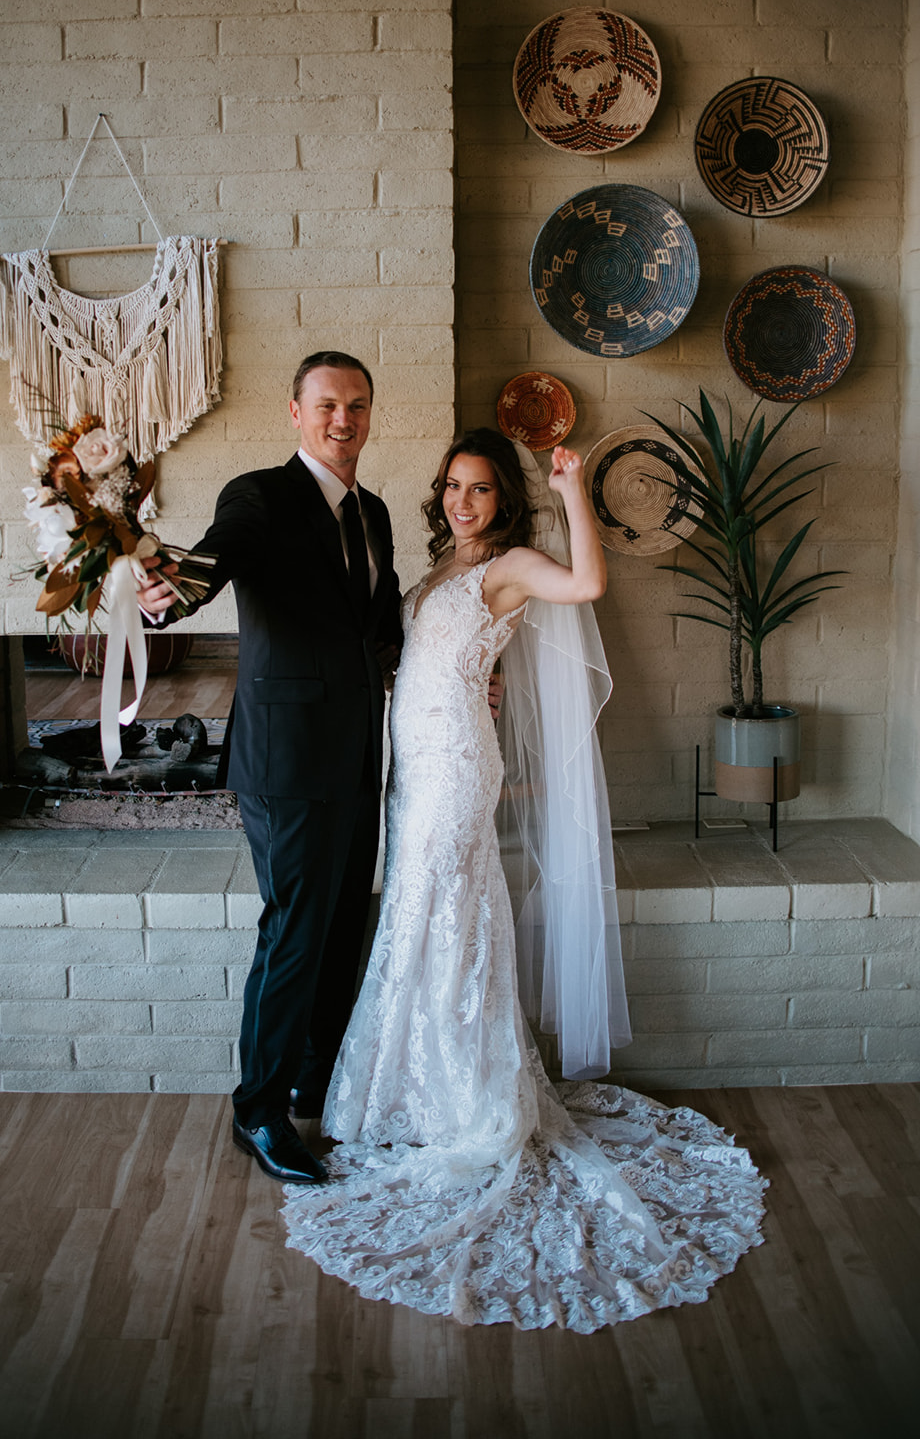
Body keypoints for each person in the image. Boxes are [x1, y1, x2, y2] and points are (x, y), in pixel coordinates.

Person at [282, 428, 767, 1333]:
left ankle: (465, 1095)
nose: (463, 501)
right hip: (414, 763)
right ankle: (415, 1084)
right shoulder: (436, 566)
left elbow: (585, 585)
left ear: (503, 498)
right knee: (426, 914)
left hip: (460, 767)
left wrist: (573, 487)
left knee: (446, 910)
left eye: (479, 489)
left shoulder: (510, 565)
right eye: (453, 487)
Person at [138, 352, 402, 1186]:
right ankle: (256, 1112)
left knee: (338, 929)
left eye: (357, 406)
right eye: (326, 405)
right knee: (293, 932)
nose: (343, 421)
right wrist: (169, 591)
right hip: (287, 763)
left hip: (360, 754)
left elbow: (382, 624)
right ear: (295, 412)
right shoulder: (260, 495)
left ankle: (313, 1082)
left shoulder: (375, 511)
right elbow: (216, 560)